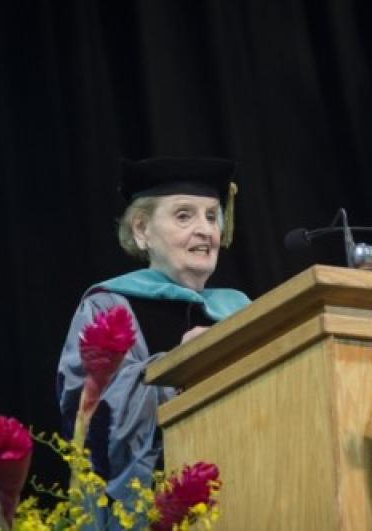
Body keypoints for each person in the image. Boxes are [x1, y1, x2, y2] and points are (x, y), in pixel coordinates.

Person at [57, 156, 250, 501]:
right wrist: (178, 367)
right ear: (142, 230)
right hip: (153, 504)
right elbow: (86, 414)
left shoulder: (243, 312)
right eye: (184, 215)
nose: (205, 230)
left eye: (212, 216)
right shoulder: (109, 307)